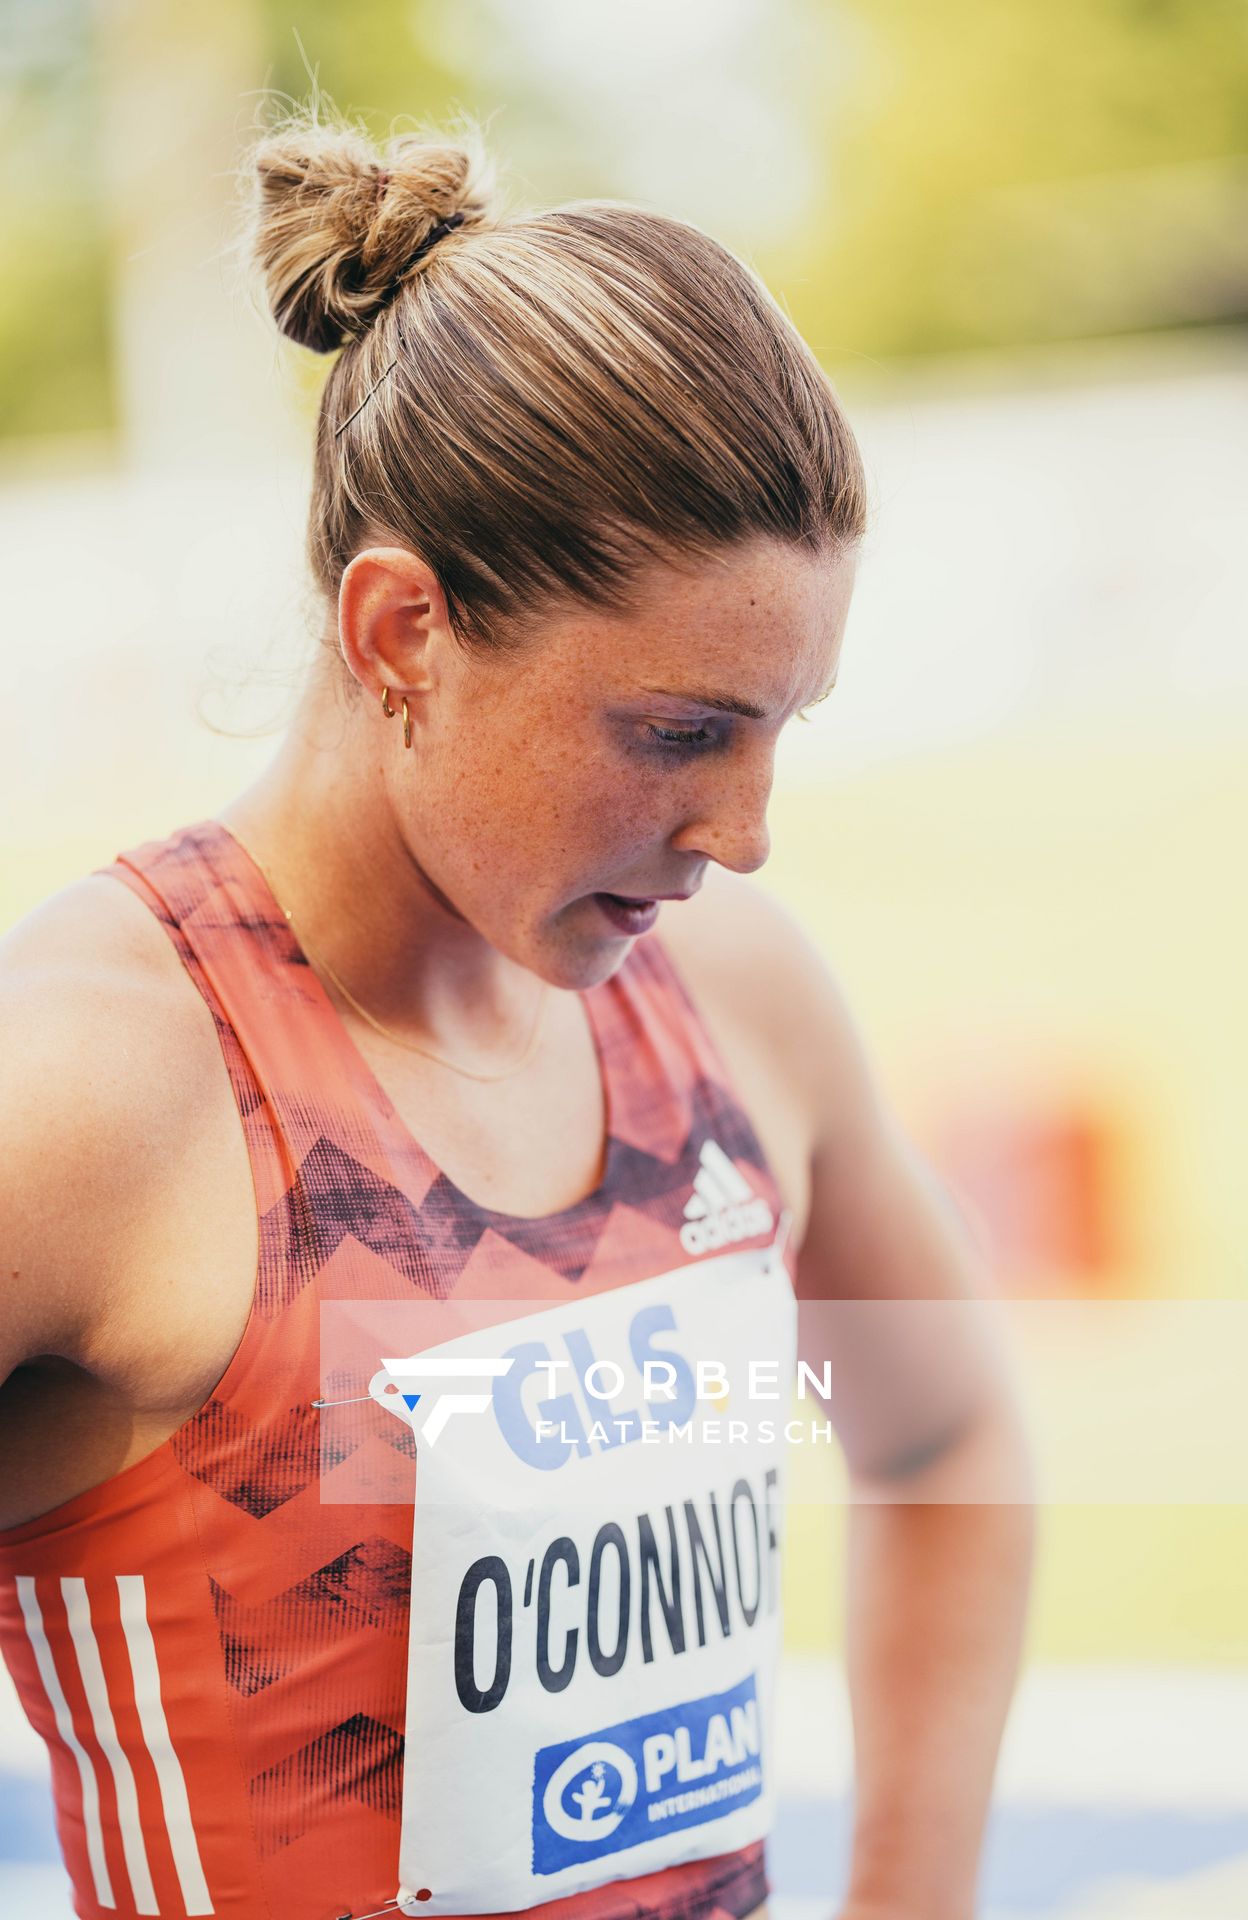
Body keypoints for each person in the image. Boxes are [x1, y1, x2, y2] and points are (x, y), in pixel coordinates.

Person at [0, 110, 1034, 1920]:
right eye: (681, 734)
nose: (747, 832)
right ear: (403, 633)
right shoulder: (91, 1086)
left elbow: (946, 1440)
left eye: (788, 727)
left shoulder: (738, 1008)